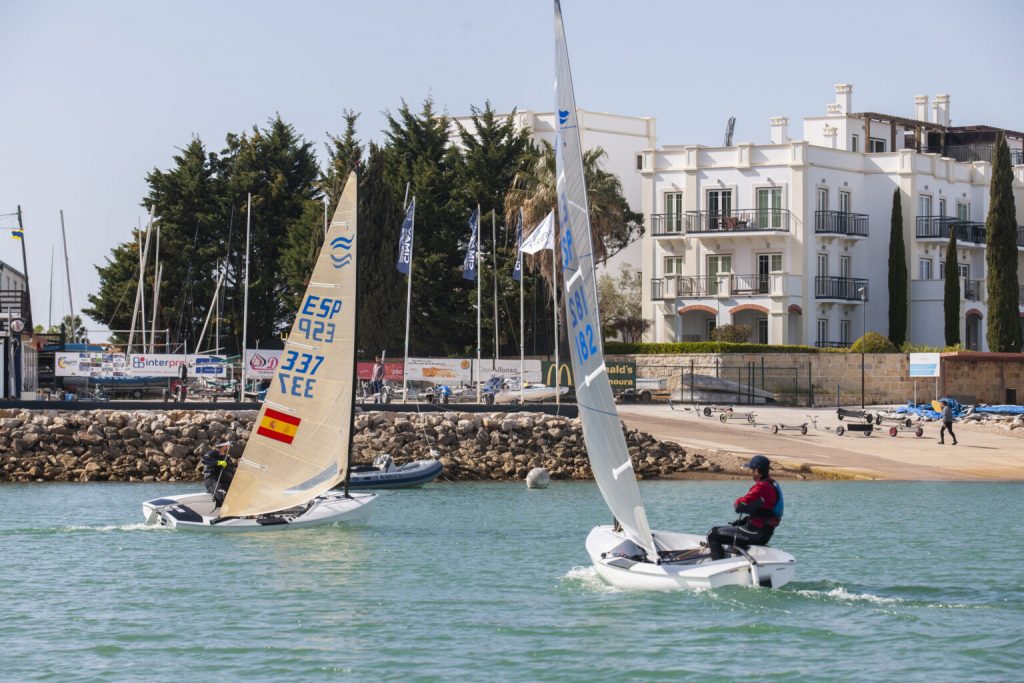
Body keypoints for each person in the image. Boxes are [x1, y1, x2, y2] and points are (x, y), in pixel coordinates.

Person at [706, 455, 783, 561]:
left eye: (750, 469)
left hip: (757, 533)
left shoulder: (761, 487)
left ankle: (718, 566)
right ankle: (736, 561)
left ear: (756, 471)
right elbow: (763, 510)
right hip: (763, 532)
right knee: (732, 529)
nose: (749, 471)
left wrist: (739, 502)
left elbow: (738, 506)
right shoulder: (772, 483)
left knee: (712, 534)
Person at [202, 442, 236, 508]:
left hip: (226, 483)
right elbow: (204, 460)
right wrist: (218, 462)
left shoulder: (227, 458)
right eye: (227, 446)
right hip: (213, 481)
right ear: (223, 446)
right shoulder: (213, 453)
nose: (228, 448)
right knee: (224, 497)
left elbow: (232, 470)